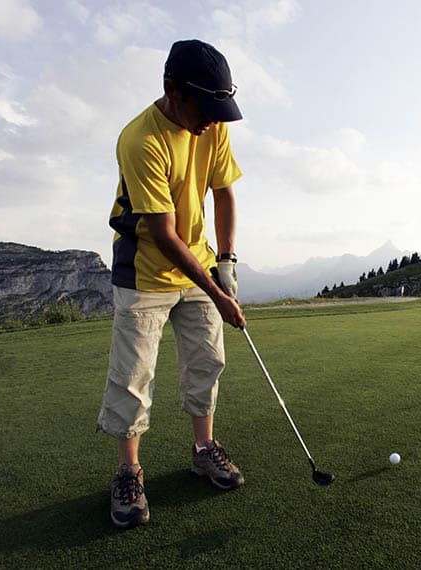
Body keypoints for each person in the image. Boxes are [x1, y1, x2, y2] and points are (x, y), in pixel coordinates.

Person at [97, 39, 248, 529]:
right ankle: (128, 472)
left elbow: (223, 193)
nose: (211, 119)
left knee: (208, 360)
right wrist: (217, 292)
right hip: (144, 270)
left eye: (218, 108)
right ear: (171, 91)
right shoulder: (140, 139)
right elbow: (163, 233)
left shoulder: (213, 124)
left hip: (199, 263)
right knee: (133, 377)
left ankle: (204, 449)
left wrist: (226, 262)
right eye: (204, 108)